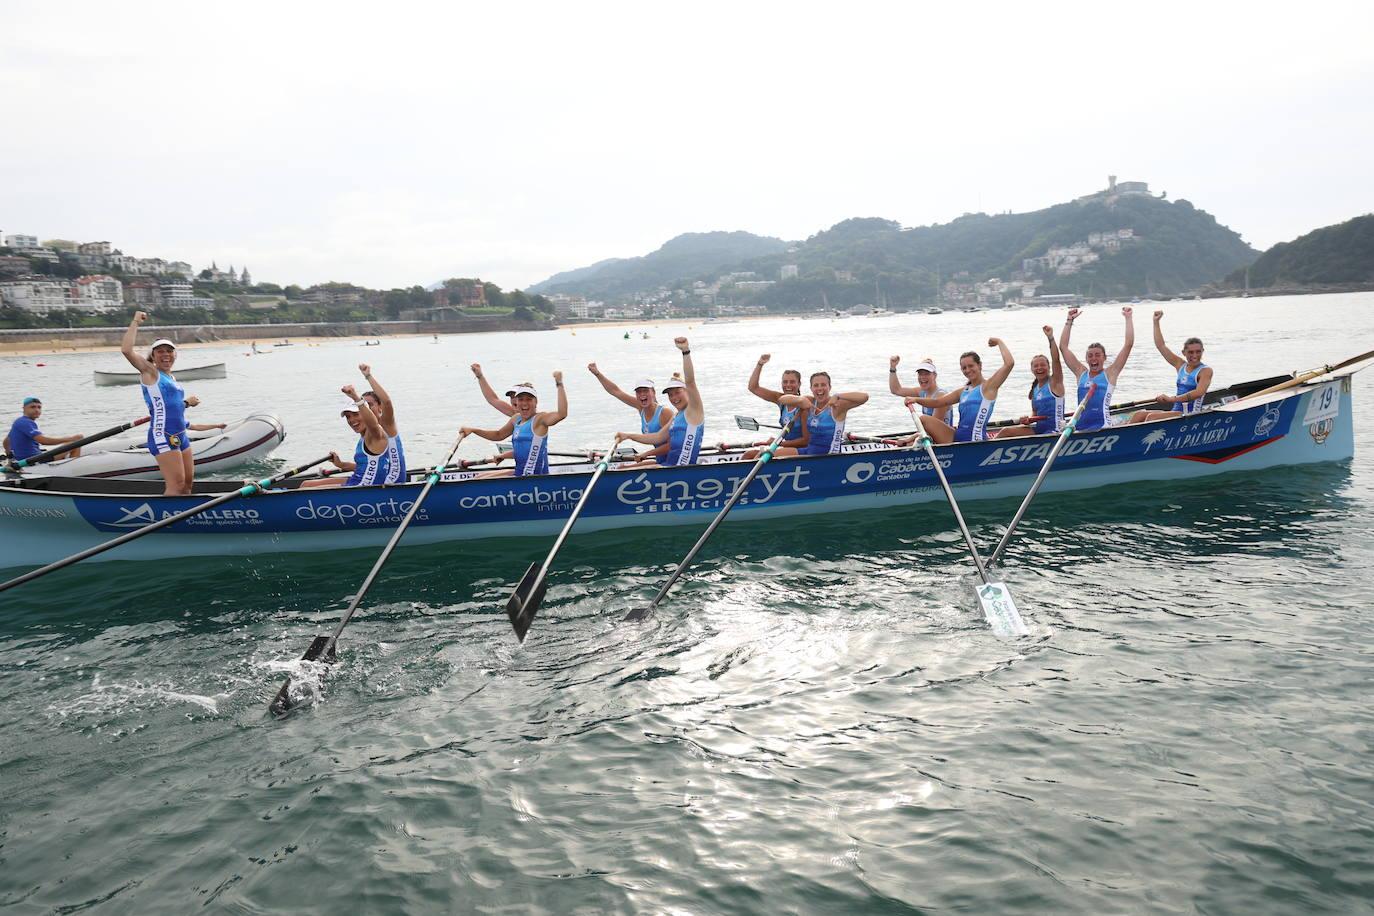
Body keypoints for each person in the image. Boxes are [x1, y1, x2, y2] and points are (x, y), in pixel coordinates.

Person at [120, 312, 201, 495]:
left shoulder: (171, 377)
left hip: (181, 434)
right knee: (176, 485)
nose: (166, 355)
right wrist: (135, 322)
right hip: (162, 434)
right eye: (160, 352)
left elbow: (171, 405)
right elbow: (126, 350)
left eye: (169, 351)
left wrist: (186, 403)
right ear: (153, 357)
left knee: (187, 485)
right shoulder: (150, 372)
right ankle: (167, 520)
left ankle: (185, 519)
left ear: (175, 355)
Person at [889, 338, 1015, 444]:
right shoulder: (963, 391)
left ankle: (917, 444)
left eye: (971, 366)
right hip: (957, 436)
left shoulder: (989, 387)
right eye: (964, 368)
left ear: (980, 366)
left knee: (922, 421)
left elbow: (1009, 364)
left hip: (974, 441)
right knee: (924, 419)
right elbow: (938, 402)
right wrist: (916, 399)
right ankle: (916, 444)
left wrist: (999, 342)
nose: (967, 370)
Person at [614, 338, 705, 467]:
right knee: (622, 469)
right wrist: (628, 436)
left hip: (680, 471)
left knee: (645, 470)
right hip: (668, 466)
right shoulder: (676, 416)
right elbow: (657, 437)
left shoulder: (694, 411)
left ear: (686, 391)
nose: (674, 398)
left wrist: (685, 351)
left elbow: (690, 381)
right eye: (670, 394)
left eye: (677, 392)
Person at [460, 373, 567, 478]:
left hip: (534, 478)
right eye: (521, 399)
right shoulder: (516, 418)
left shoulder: (540, 419)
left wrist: (559, 383)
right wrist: (474, 430)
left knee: (480, 484)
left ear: (536, 402)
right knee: (478, 478)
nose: (524, 403)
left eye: (529, 399)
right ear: (516, 402)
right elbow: (498, 435)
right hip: (519, 473)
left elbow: (561, 414)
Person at [302, 383, 405, 488]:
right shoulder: (364, 437)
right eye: (348, 417)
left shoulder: (376, 433)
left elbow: (381, 412)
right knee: (305, 484)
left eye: (356, 415)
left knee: (306, 489)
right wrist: (341, 464)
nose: (352, 420)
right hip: (356, 479)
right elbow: (364, 467)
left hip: (364, 488)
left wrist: (356, 396)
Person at [1059, 305, 1134, 432]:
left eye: (1097, 355)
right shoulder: (1081, 373)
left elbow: (1128, 344)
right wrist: (1069, 320)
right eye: (1090, 356)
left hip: (1102, 428)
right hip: (1079, 427)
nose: (1094, 359)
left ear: (1104, 358)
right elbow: (1063, 347)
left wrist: (1128, 318)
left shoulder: (1110, 373)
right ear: (1086, 359)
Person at [1129, 311, 1213, 422]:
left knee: (1151, 418)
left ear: (1202, 351)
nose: (1194, 356)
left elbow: (1199, 393)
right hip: (1176, 411)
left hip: (1191, 414)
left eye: (1198, 352)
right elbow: (1161, 345)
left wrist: (1172, 399)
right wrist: (1156, 322)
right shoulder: (1180, 365)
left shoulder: (1205, 371)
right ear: (1184, 352)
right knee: (1139, 415)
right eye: (1190, 352)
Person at [587, 361, 675, 463]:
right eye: (639, 391)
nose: (642, 394)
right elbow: (616, 391)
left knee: (622, 470)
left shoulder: (665, 413)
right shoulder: (641, 407)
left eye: (646, 391)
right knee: (621, 468)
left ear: (654, 393)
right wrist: (597, 374)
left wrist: (646, 454)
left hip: (672, 460)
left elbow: (671, 445)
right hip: (660, 459)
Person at [991, 326, 1066, 439]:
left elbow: (1056, 359)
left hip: (1056, 431)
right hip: (1040, 430)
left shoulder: (1055, 382)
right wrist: (1027, 421)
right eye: (1036, 366)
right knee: (1005, 431)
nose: (1039, 368)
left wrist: (1050, 338)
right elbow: (1035, 415)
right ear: (1032, 370)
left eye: (1042, 365)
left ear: (1049, 367)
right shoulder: (1035, 389)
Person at [773, 372, 869, 457]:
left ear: (829, 387)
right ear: (811, 388)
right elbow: (782, 399)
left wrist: (838, 395)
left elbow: (864, 397)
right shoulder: (810, 401)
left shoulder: (837, 406)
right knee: (766, 454)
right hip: (808, 451)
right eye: (816, 385)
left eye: (823, 385)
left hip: (829, 456)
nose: (819, 389)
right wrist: (801, 399)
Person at [740, 354, 809, 458]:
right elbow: (753, 387)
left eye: (792, 382)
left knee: (760, 456)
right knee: (748, 455)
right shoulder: (780, 399)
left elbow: (805, 441)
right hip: (787, 446)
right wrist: (760, 364)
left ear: (799, 384)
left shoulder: (804, 407)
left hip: (803, 448)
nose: (788, 385)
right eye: (785, 382)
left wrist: (777, 443)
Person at [3, 397, 83, 461]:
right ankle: (74, 468)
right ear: (24, 408)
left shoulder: (18, 422)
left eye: (39, 407)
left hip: (25, 459)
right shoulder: (26, 422)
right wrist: (70, 439)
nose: (37, 410)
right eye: (32, 407)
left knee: (72, 442)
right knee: (77, 441)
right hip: (34, 460)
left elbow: (6, 441)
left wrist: (9, 454)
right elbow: (43, 441)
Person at [900, 357, 955, 428]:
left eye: (926, 374)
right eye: (920, 374)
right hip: (932, 434)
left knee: (923, 419)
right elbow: (896, 390)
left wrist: (909, 439)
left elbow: (933, 427)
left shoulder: (941, 395)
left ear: (935, 375)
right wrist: (893, 368)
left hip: (944, 437)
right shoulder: (922, 392)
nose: (923, 377)